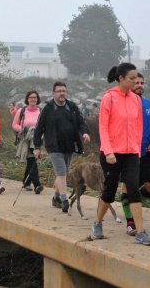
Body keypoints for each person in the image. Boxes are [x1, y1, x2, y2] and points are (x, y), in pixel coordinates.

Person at [93, 63, 150, 246]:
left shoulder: (136, 99)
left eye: (137, 78)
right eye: (132, 79)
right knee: (110, 190)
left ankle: (140, 231)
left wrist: (137, 150)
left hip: (131, 153)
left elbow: (139, 127)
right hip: (111, 153)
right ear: (121, 78)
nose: (136, 82)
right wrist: (109, 151)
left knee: (134, 189)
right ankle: (97, 223)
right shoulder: (109, 98)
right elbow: (102, 127)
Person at [33, 81, 90, 212]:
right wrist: (37, 147)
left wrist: (85, 133)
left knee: (63, 173)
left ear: (66, 93)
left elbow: (81, 122)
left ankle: (56, 198)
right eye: (59, 91)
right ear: (53, 94)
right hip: (53, 146)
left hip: (69, 146)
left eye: (63, 91)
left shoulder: (72, 107)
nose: (61, 93)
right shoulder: (48, 109)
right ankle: (64, 200)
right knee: (61, 172)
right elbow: (38, 128)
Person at [121, 73, 150, 236]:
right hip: (127, 153)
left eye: (141, 83)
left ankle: (133, 204)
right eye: (136, 82)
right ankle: (130, 221)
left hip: (146, 152)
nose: (139, 85)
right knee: (128, 187)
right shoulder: (122, 103)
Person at [12, 90, 43, 194]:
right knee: (31, 160)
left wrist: (41, 135)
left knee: (32, 160)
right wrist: (22, 129)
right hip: (26, 139)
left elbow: (45, 126)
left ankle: (26, 182)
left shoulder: (41, 111)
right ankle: (37, 184)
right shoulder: (22, 111)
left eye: (35, 97)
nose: (33, 99)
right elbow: (15, 124)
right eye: (31, 97)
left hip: (37, 139)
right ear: (27, 99)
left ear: (37, 99)